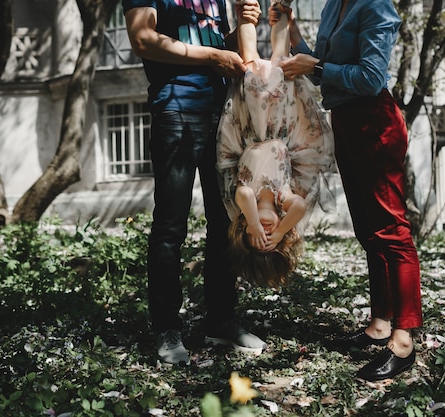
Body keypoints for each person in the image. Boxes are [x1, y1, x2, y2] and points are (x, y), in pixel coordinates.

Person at [275, 0, 423, 381]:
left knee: (392, 231)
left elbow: (371, 77)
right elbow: (322, 70)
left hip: (375, 120)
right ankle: (379, 324)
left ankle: (404, 340)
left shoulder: (376, 7)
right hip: (345, 121)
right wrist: (293, 33)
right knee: (369, 232)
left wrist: (318, 66)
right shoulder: (333, 7)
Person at [122, 0, 267, 366]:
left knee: (224, 222)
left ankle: (220, 320)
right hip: (177, 110)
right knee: (171, 226)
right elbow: (143, 39)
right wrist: (212, 57)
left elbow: (221, 45)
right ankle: (167, 327)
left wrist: (240, 27)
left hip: (224, 114)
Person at [216, 0, 335, 288]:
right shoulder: (284, 200)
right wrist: (281, 230)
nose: (265, 234)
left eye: (255, 239)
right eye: (269, 241)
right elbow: (300, 208)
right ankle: (281, 8)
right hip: (283, 127)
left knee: (251, 66)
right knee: (281, 62)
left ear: (243, 229)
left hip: (252, 127)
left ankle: (247, 8)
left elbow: (244, 193)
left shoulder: (245, 202)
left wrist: (254, 221)